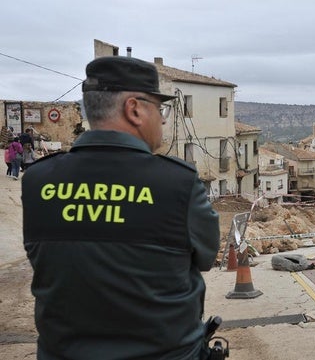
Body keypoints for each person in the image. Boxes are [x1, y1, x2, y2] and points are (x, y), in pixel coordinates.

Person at [22, 56, 220, 360]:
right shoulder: (178, 183)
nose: (163, 120)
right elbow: (205, 258)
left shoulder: (37, 180)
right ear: (135, 109)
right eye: (160, 109)